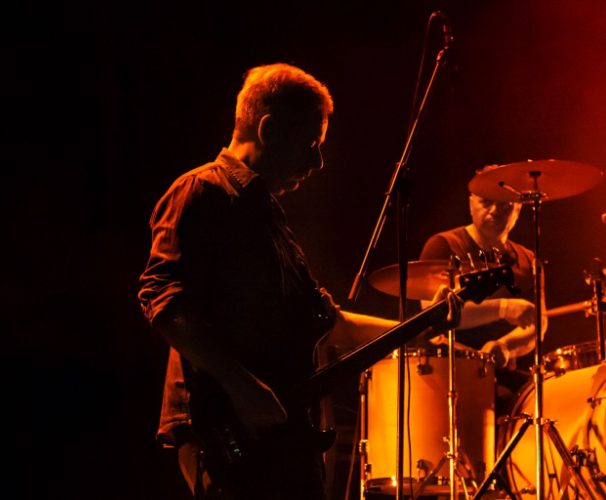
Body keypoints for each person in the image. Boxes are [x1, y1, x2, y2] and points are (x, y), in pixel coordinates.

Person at [138, 63, 453, 500]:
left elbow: (330, 322)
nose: (318, 162)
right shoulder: (201, 192)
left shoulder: (269, 218)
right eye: (310, 144)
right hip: (226, 436)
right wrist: (243, 387)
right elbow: (162, 301)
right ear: (267, 130)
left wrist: (428, 325)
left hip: (283, 441)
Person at [419, 182, 546, 395]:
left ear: (518, 209)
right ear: (471, 205)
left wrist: (506, 346)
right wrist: (504, 308)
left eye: (504, 205)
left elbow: (538, 324)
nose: (494, 210)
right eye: (485, 202)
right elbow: (435, 313)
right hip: (449, 373)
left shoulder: (529, 260)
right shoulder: (444, 246)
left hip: (505, 376)